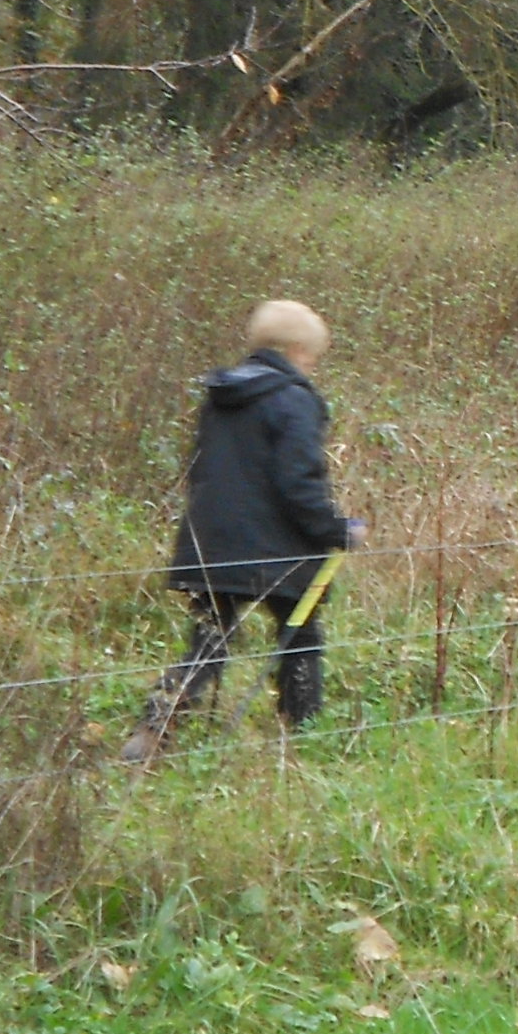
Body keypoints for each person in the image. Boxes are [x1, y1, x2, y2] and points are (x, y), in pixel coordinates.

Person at [126, 300, 357, 763]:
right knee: (301, 636)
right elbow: (299, 482)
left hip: (211, 546)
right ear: (296, 351)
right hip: (278, 552)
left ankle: (153, 730)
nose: (313, 366)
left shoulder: (220, 398)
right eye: (312, 356)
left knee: (209, 642)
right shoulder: (296, 399)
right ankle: (301, 737)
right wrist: (336, 529)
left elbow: (201, 472)